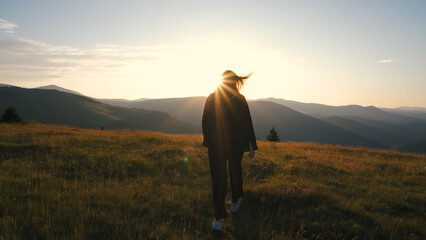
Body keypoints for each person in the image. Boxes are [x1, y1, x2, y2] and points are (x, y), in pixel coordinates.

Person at [202, 70, 258, 231]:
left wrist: (251, 146)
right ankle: (220, 215)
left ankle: (233, 200)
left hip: (227, 146)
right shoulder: (217, 99)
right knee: (223, 178)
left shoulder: (227, 99)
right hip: (224, 146)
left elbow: (247, 124)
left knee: (231, 175)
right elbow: (206, 122)